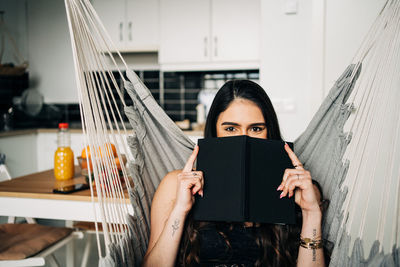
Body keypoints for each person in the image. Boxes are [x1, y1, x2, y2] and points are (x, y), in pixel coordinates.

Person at [142, 80, 326, 267]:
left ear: (268, 131)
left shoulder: (299, 189)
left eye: (256, 129)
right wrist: (180, 210)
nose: (243, 139)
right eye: (230, 128)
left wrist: (311, 213)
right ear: (214, 130)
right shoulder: (177, 185)